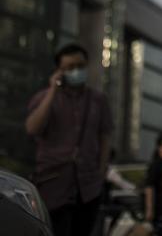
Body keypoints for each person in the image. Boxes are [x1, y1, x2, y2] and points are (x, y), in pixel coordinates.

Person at [25, 42, 113, 236]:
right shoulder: (44, 97)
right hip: (54, 184)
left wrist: (100, 171)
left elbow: (105, 135)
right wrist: (52, 91)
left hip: (88, 187)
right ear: (59, 70)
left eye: (80, 66)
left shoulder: (98, 100)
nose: (76, 71)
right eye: (70, 67)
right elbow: (32, 128)